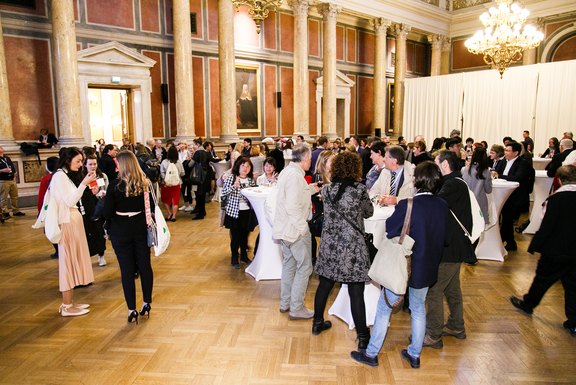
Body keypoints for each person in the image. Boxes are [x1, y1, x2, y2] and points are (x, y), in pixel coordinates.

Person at [351, 161, 449, 368]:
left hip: (402, 264)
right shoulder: (442, 205)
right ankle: (414, 354)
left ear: (417, 180)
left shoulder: (407, 204)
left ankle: (371, 353)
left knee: (384, 308)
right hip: (427, 266)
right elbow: (444, 238)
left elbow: (391, 230)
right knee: (418, 309)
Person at [312, 152, 374, 351]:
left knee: (324, 286)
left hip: (330, 246)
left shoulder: (327, 190)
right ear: (356, 169)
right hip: (352, 248)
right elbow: (369, 212)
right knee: (357, 293)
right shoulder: (360, 190)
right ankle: (363, 336)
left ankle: (317, 323)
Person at [510, 165, 576, 336]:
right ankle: (574, 322)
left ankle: (528, 304)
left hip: (555, 250)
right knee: (573, 286)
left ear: (559, 180)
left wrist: (535, 245)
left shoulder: (555, 200)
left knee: (542, 280)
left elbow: (547, 226)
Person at [423, 150, 475, 348]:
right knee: (452, 289)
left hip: (450, 248)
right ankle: (456, 325)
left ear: (444, 165)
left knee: (434, 291)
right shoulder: (456, 182)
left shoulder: (452, 184)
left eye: (436, 162)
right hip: (456, 245)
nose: (435, 166)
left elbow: (434, 205)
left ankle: (434, 334)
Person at [103, 151, 154, 324]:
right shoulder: (145, 183)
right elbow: (152, 206)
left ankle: (131, 309)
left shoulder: (114, 185)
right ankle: (147, 303)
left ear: (122, 165)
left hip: (120, 230)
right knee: (145, 266)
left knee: (127, 270)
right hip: (140, 227)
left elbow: (108, 212)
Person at [273, 143, 319, 320]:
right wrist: (302, 228)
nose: (311, 162)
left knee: (290, 265)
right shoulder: (294, 176)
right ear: (305, 159)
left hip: (285, 230)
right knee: (305, 267)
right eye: (310, 159)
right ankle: (297, 308)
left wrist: (315, 188)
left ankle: (285, 303)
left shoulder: (289, 172)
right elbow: (292, 206)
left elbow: (298, 194)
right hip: (294, 230)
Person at [50, 147, 97, 317]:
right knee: (68, 263)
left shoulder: (64, 176)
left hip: (72, 221)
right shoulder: (60, 177)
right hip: (67, 222)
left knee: (72, 261)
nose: (80, 164)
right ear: (67, 160)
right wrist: (84, 184)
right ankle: (67, 305)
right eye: (77, 161)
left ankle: (70, 302)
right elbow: (70, 201)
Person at [494, 142, 534, 251]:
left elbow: (517, 178)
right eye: (505, 150)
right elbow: (495, 173)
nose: (505, 153)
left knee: (507, 218)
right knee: (505, 218)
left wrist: (500, 176)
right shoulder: (502, 162)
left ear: (516, 153)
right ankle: (509, 242)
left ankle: (504, 240)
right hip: (502, 193)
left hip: (515, 196)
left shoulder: (522, 163)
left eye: (508, 151)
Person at [221, 156, 258, 268]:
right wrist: (234, 186)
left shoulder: (250, 180)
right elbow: (223, 194)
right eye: (243, 166)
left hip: (247, 212)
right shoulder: (231, 178)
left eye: (248, 166)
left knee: (244, 236)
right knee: (235, 236)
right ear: (238, 166)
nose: (245, 168)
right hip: (234, 212)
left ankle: (243, 256)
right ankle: (234, 258)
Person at [82, 155, 108, 267]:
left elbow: (105, 189)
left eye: (95, 164)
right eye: (90, 164)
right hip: (88, 208)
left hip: (100, 206)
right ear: (85, 165)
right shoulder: (82, 177)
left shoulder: (102, 176)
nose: (93, 166)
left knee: (100, 233)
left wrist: (102, 194)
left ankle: (101, 255)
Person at [462, 147, 492, 225]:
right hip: (479, 201)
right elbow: (488, 190)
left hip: (465, 200)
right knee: (479, 225)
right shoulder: (485, 172)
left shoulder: (465, 169)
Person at [190, 138, 218, 220]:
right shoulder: (208, 153)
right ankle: (201, 211)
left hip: (198, 176)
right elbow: (214, 160)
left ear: (198, 145)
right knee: (202, 195)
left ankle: (201, 213)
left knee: (199, 195)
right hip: (206, 177)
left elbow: (190, 165)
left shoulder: (198, 152)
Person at [37, 156, 59, 257]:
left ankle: (58, 251)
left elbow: (42, 197)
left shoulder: (46, 179)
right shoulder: (62, 176)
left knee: (50, 230)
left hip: (50, 209)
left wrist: (40, 212)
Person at [159, 146, 185, 222]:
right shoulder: (179, 162)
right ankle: (174, 216)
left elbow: (162, 172)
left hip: (166, 184)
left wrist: (165, 179)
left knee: (165, 199)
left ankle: (169, 213)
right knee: (175, 199)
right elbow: (182, 173)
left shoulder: (164, 162)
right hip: (176, 183)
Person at [0, 145, 26, 219]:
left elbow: (12, 166)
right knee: (3, 198)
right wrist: (2, 170)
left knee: (14, 196)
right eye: (0, 147)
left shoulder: (7, 158)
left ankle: (16, 211)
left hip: (12, 179)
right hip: (3, 180)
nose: (1, 148)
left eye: (1, 147)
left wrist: (14, 174)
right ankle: (5, 212)